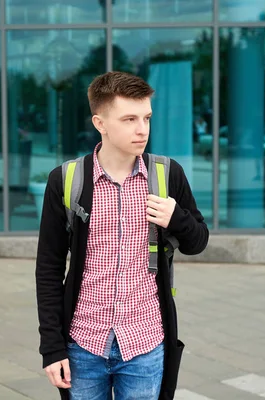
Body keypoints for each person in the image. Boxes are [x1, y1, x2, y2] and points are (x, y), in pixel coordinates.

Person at [35, 71, 209, 400]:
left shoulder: (167, 175)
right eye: (129, 119)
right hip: (83, 344)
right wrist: (51, 348)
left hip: (145, 343)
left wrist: (176, 217)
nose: (141, 129)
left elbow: (198, 241)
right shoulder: (67, 180)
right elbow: (48, 268)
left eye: (146, 118)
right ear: (99, 122)